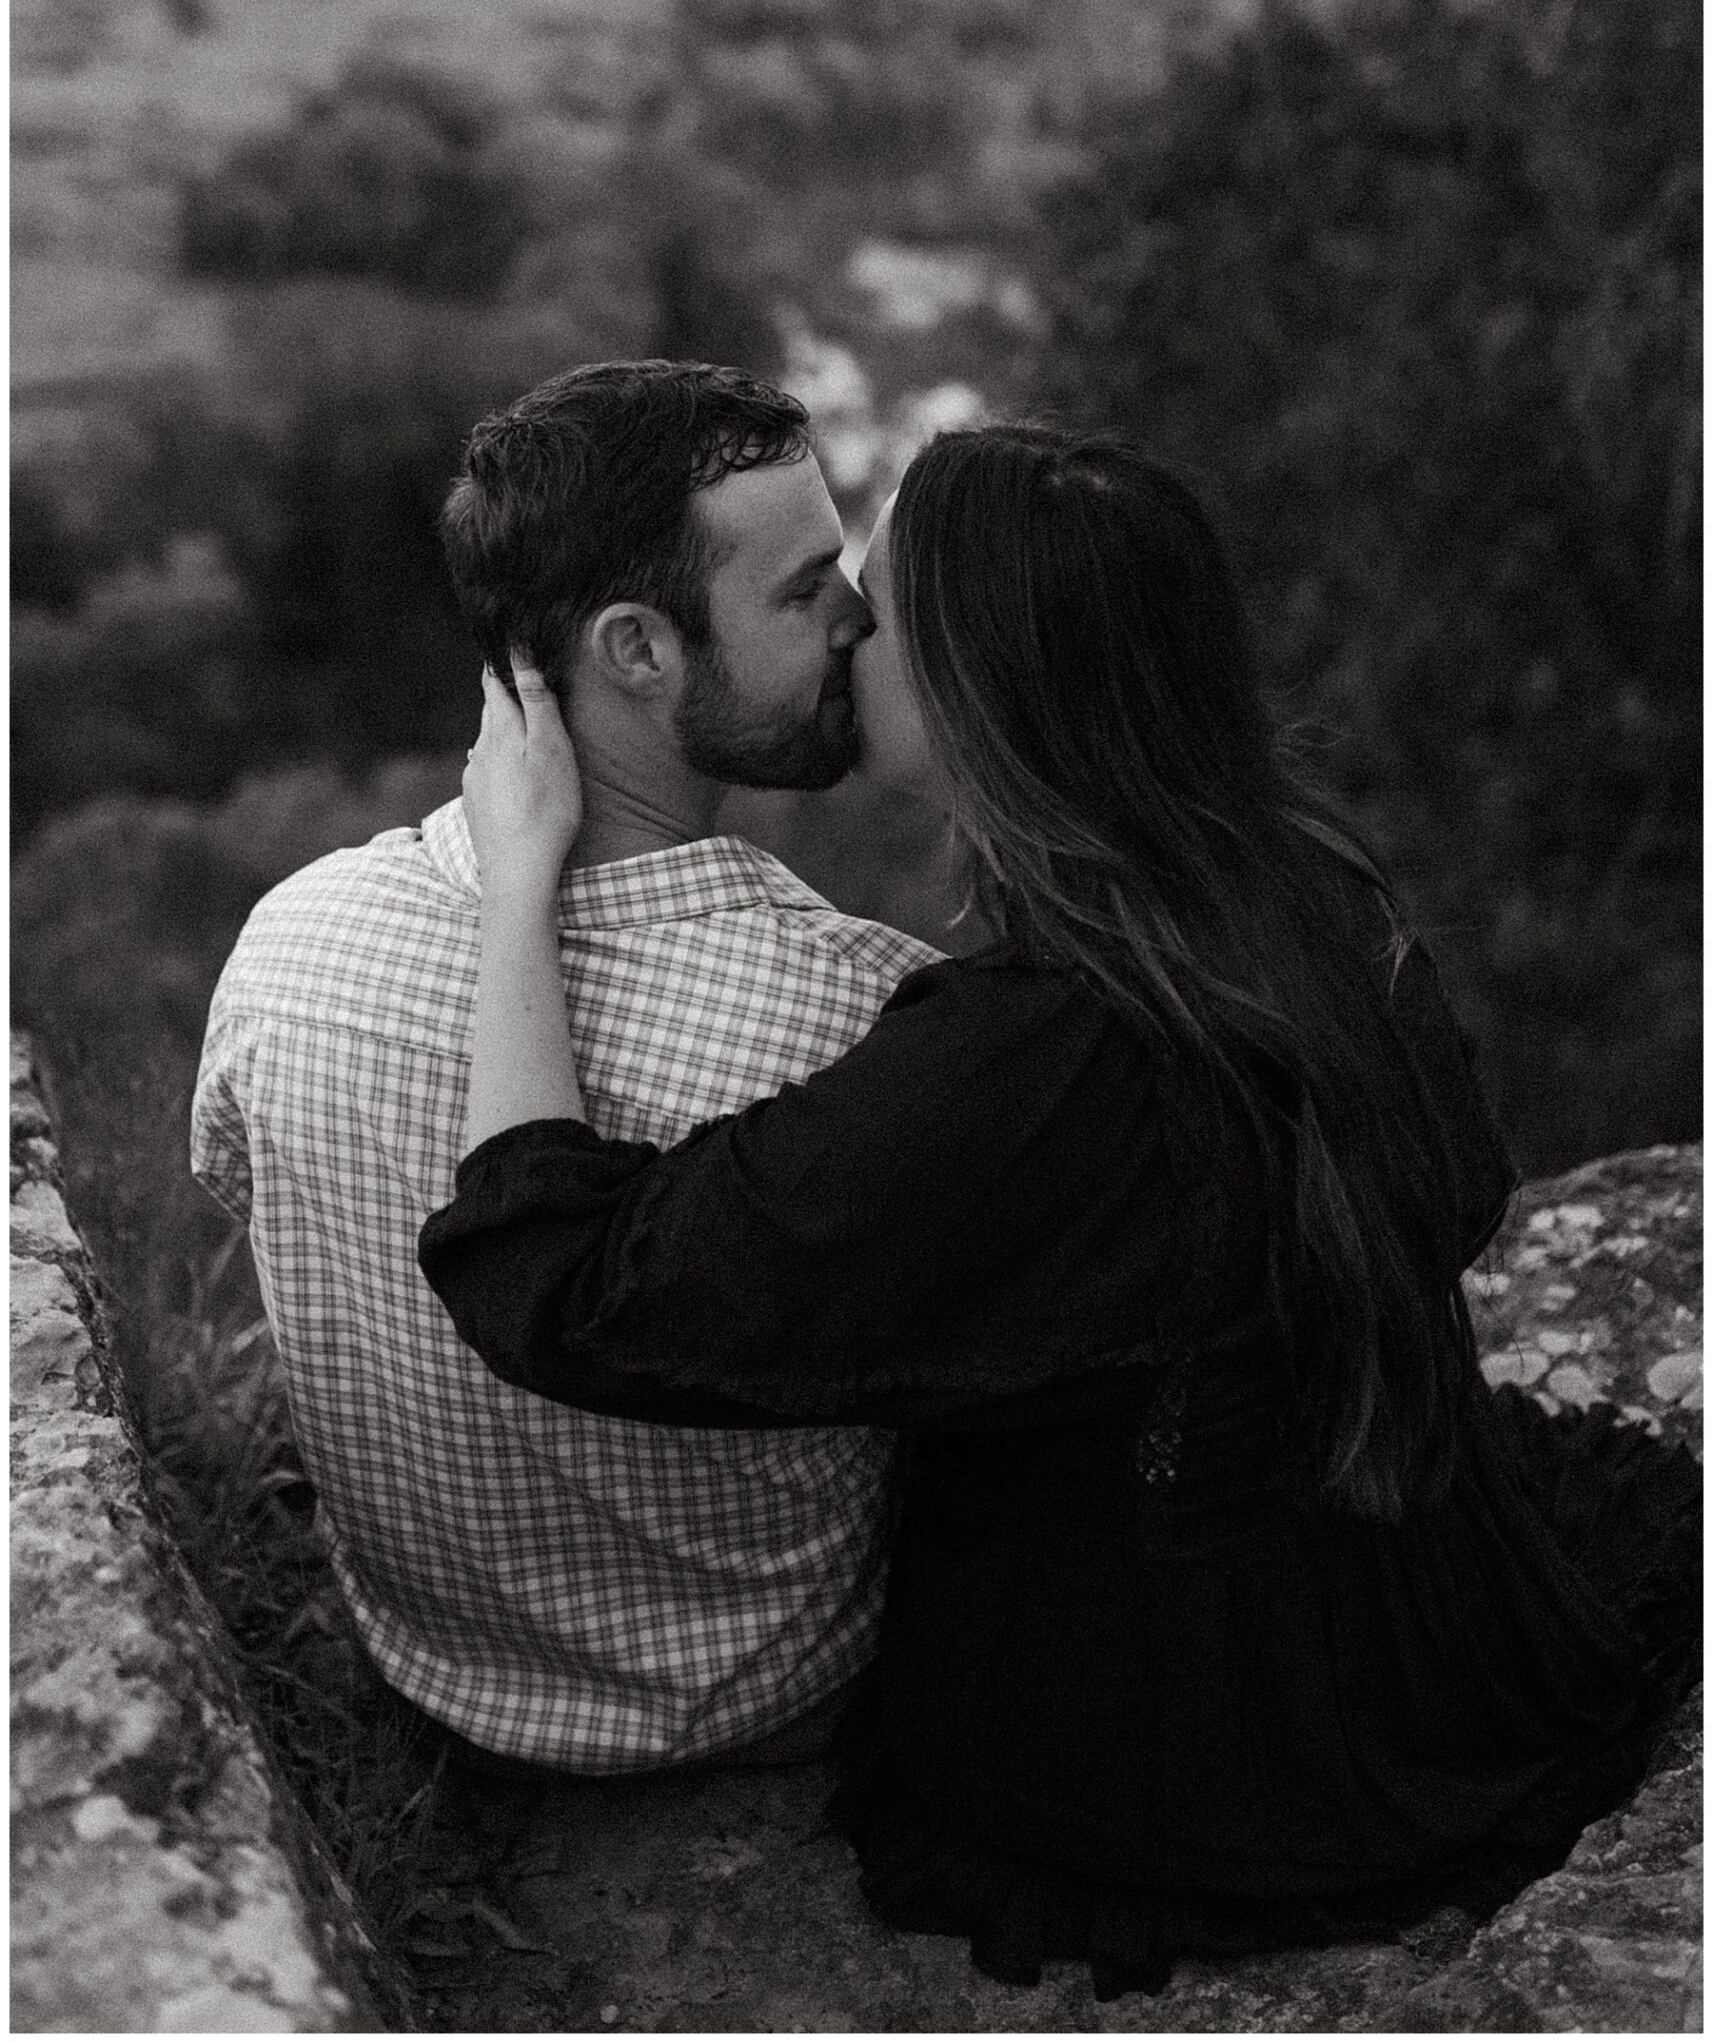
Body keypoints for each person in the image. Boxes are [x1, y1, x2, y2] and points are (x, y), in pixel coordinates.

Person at [422, 421, 1700, 1996]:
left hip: (1186, 1738)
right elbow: (1456, 1191)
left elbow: (564, 1292)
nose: (841, 635)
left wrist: (516, 886)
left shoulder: (1028, 1060)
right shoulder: (1305, 890)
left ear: (975, 692)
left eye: (874, 610)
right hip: (1423, 1605)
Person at [192, 358, 942, 1778]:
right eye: (800, 590)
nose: (856, 618)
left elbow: (254, 1213)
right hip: (769, 1700)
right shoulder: (863, 1018)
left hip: (437, 1678)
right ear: (638, 652)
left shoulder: (288, 953)